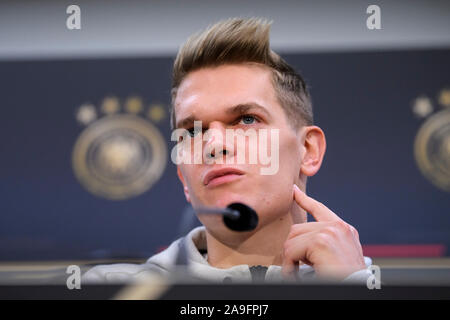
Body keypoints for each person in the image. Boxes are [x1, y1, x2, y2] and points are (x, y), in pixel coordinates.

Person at [82, 17, 372, 284]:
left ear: (308, 150)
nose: (214, 145)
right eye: (193, 131)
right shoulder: (110, 289)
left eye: (247, 120)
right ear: (183, 176)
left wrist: (349, 289)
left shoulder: (382, 288)